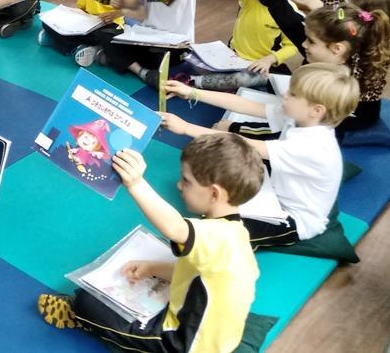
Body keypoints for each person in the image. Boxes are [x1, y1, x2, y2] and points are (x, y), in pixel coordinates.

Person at [38, 135, 263, 352]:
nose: (179, 185)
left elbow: (174, 227)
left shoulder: (214, 235)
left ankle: (79, 317)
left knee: (87, 303)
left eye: (187, 181)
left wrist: (135, 183)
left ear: (214, 193)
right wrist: (154, 268)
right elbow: (198, 274)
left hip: (182, 343)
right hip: (215, 333)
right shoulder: (234, 231)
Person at [161, 62, 360, 245]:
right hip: (271, 187)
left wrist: (186, 127)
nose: (285, 95)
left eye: (293, 94)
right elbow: (243, 105)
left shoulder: (313, 146)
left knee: (215, 232)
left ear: (316, 110)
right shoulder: (300, 118)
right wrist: (192, 92)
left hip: (291, 218)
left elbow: (241, 143)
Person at [252, 0, 390, 132]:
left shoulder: (372, 52)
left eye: (352, 8)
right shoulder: (341, 38)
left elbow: (341, 18)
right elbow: (285, 12)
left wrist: (317, 6)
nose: (344, 8)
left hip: (354, 114)